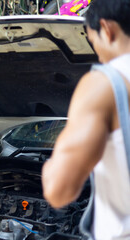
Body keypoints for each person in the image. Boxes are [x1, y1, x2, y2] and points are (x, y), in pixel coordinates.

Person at [41, 0, 130, 238]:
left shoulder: (106, 84)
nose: (98, 54)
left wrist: (52, 165)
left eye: (93, 42)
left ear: (107, 29)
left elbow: (59, 190)